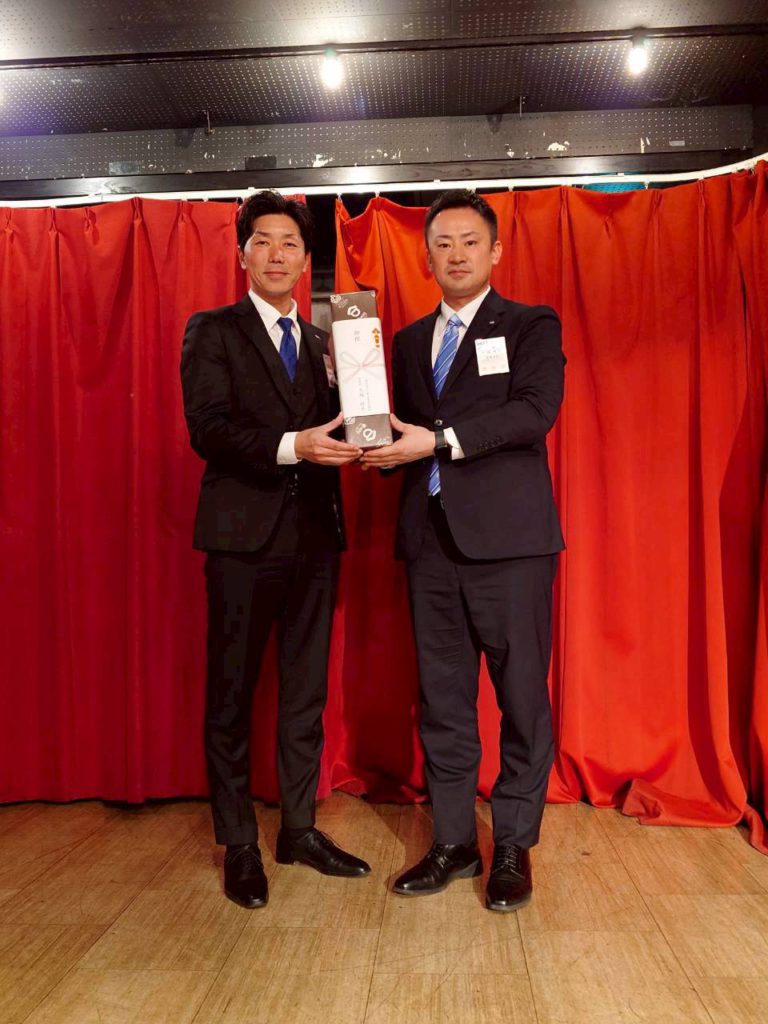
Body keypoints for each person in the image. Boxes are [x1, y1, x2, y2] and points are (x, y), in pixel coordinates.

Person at [362, 189, 565, 911]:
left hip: (511, 547)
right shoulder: (408, 341)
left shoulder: (531, 324)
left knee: (521, 699)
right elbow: (401, 432)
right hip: (431, 545)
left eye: (469, 241)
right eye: (442, 243)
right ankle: (452, 842)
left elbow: (535, 412)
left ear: (495, 251)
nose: (455, 254)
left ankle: (511, 844)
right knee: (443, 701)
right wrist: (369, 441)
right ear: (426, 256)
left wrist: (439, 441)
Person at [181, 190, 370, 909]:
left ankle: (298, 829)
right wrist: (296, 445)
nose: (277, 254)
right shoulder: (213, 330)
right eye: (262, 241)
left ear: (306, 257)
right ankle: (238, 843)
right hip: (241, 538)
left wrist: (366, 432)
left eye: (290, 243)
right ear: (242, 255)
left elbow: (342, 427)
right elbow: (208, 429)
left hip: (315, 538)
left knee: (304, 693)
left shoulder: (326, 342)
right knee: (231, 693)